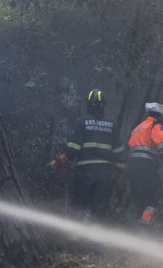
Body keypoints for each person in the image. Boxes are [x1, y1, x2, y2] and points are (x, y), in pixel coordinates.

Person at [49, 89, 126, 221]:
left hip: (85, 173)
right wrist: (117, 174)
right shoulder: (112, 125)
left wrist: (56, 164)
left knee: (78, 205)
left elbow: (72, 151)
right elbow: (120, 153)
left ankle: (74, 237)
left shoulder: (82, 122)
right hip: (104, 175)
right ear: (104, 105)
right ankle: (95, 238)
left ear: (89, 105)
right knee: (99, 209)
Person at [126, 102, 163, 226]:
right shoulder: (154, 126)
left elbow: (136, 146)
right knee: (156, 195)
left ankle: (137, 225)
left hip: (132, 167)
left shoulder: (138, 128)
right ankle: (147, 224)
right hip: (145, 166)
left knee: (140, 199)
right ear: (160, 115)